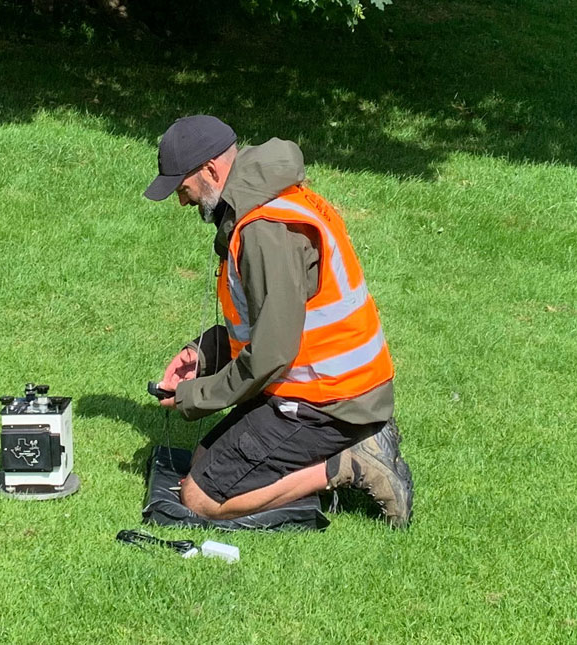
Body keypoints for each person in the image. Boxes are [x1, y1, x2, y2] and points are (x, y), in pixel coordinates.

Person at [144, 115, 413, 528]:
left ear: (211, 170)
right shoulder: (265, 201)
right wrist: (202, 353)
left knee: (198, 499)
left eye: (183, 188)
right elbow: (268, 321)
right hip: (326, 387)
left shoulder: (265, 230)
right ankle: (357, 444)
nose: (183, 201)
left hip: (330, 401)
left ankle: (351, 463)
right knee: (201, 462)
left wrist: (194, 397)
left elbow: (271, 353)